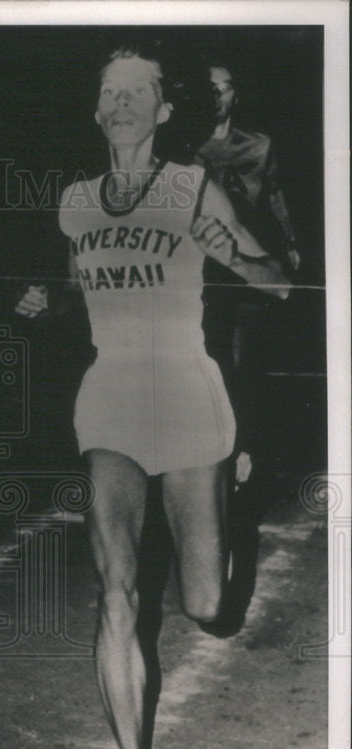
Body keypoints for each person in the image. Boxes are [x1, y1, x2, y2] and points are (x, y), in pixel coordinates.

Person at [17, 43, 289, 749]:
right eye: (112, 91)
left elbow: (273, 278)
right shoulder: (76, 200)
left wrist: (232, 250)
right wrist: (50, 302)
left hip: (185, 389)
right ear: (98, 110)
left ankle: (236, 510)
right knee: (117, 591)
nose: (124, 102)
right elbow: (79, 294)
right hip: (109, 395)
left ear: (164, 111)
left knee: (207, 607)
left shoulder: (190, 185)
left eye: (139, 91)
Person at [196, 60, 300, 483]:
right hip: (204, 265)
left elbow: (275, 193)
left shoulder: (260, 144)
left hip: (247, 264)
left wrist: (291, 242)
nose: (218, 96)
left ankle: (243, 454)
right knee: (208, 358)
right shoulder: (189, 147)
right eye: (210, 89)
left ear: (236, 94)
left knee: (242, 360)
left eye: (225, 88)